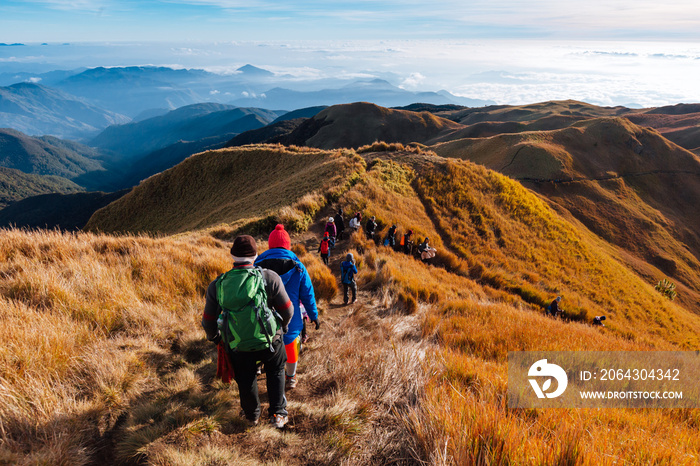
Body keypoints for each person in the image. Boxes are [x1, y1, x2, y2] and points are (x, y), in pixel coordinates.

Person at [202, 235, 294, 429]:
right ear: (256, 255)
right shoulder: (269, 277)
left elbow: (208, 322)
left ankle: (251, 416)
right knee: (276, 370)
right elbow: (288, 309)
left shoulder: (217, 285)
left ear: (233, 255)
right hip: (270, 340)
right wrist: (282, 328)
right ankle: (278, 414)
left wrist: (217, 339)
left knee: (245, 377)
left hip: (237, 344)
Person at [255, 224, 320, 391]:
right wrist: (313, 315)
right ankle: (290, 378)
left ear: (270, 244)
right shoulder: (298, 266)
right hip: (290, 320)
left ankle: (260, 368)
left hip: (263, 319)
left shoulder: (257, 265)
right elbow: (307, 294)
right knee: (291, 347)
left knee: (264, 343)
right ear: (287, 245)